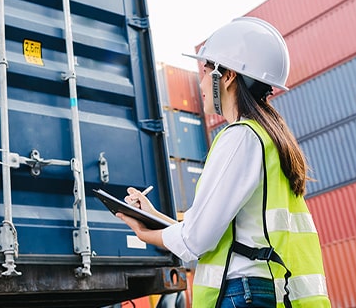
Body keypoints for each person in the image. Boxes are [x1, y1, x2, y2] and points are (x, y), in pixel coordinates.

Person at [116, 17, 331, 308]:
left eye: (205, 71)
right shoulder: (267, 138)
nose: (201, 83)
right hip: (262, 291)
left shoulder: (240, 138)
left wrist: (144, 233)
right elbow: (220, 232)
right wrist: (154, 215)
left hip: (241, 295)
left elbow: (196, 240)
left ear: (227, 76)